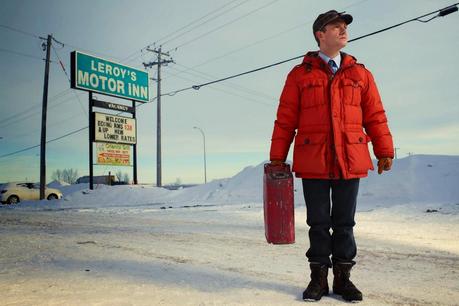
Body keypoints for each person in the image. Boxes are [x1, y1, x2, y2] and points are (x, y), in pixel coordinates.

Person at [269, 10, 394, 302]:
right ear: (320, 35)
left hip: (350, 158)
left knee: (345, 223)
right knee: (318, 222)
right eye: (335, 26)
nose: (342, 30)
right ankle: (318, 279)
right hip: (313, 158)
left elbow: (375, 115)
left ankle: (343, 279)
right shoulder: (300, 75)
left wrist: (384, 150)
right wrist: (278, 157)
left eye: (344, 27)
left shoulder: (361, 74)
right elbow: (285, 119)